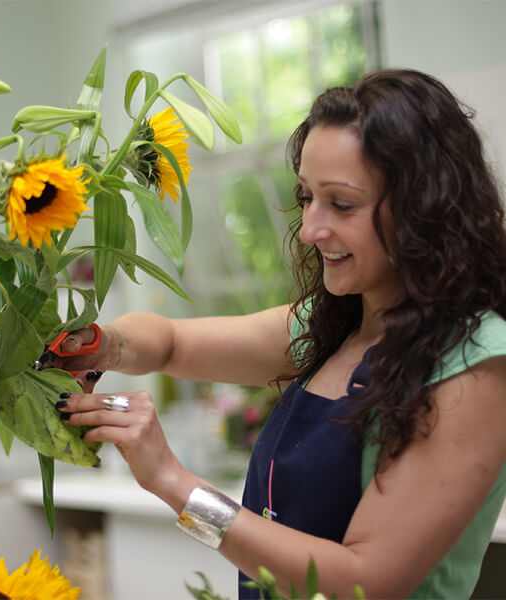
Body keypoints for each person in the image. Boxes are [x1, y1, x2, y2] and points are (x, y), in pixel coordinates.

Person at [48, 68, 506, 599]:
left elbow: (366, 581)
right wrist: (103, 345)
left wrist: (174, 483)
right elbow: (172, 343)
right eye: (307, 196)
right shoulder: (332, 325)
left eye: (341, 203)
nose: (310, 229)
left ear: (422, 207)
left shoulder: (476, 363)